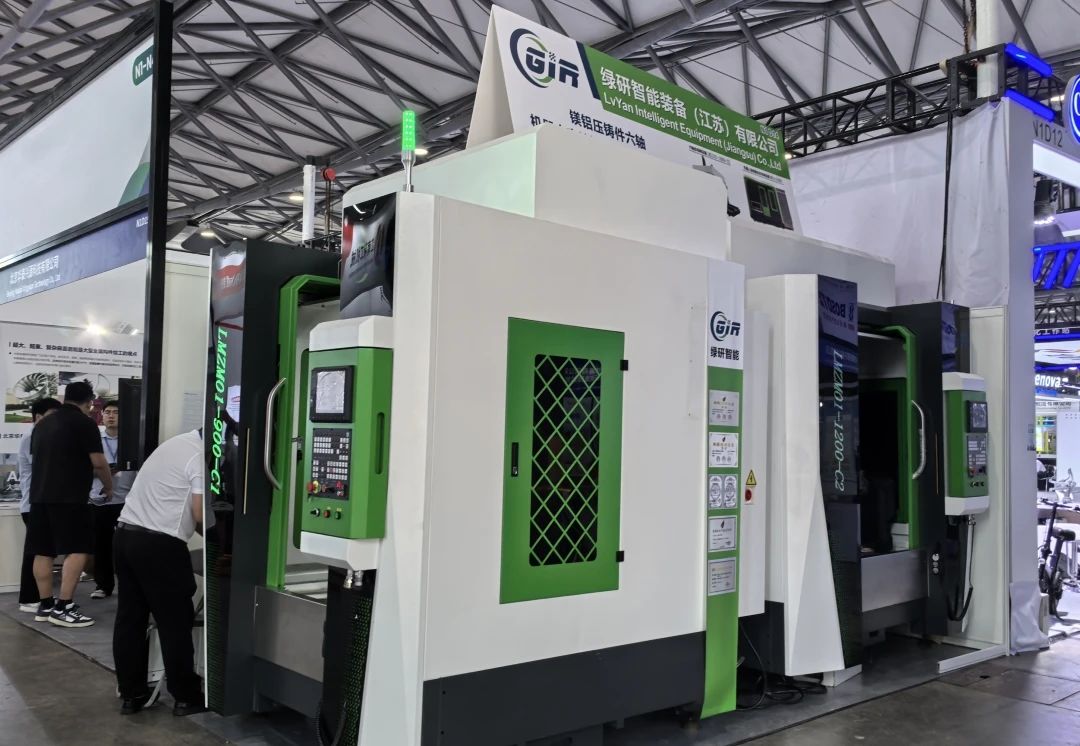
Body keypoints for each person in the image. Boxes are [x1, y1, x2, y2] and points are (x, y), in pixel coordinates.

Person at [113, 428, 205, 716]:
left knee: (130, 619)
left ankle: (132, 694)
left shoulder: (176, 443)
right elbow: (200, 513)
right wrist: (225, 542)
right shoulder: (201, 456)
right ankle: (186, 696)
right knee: (174, 621)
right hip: (159, 546)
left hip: (124, 536)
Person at [28, 382, 113, 628]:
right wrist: (109, 487)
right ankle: (64, 607)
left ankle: (45, 605)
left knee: (43, 550)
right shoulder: (84, 423)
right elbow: (98, 462)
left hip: (39, 496)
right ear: (89, 402)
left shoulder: (43, 424)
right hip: (70, 497)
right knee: (78, 549)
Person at [15, 397, 61, 613]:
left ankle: (39, 596)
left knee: (41, 551)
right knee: (35, 552)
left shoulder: (43, 435)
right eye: (52, 417)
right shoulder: (31, 436)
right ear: (38, 417)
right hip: (33, 504)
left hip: (41, 502)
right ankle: (29, 598)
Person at [89, 401, 130, 599]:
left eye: (115, 412)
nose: (111, 416)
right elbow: (84, 465)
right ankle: (103, 585)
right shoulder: (95, 439)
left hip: (127, 499)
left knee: (126, 546)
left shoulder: (131, 440)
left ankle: (129, 586)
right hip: (100, 498)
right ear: (102, 416)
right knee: (101, 544)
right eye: (107, 412)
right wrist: (103, 472)